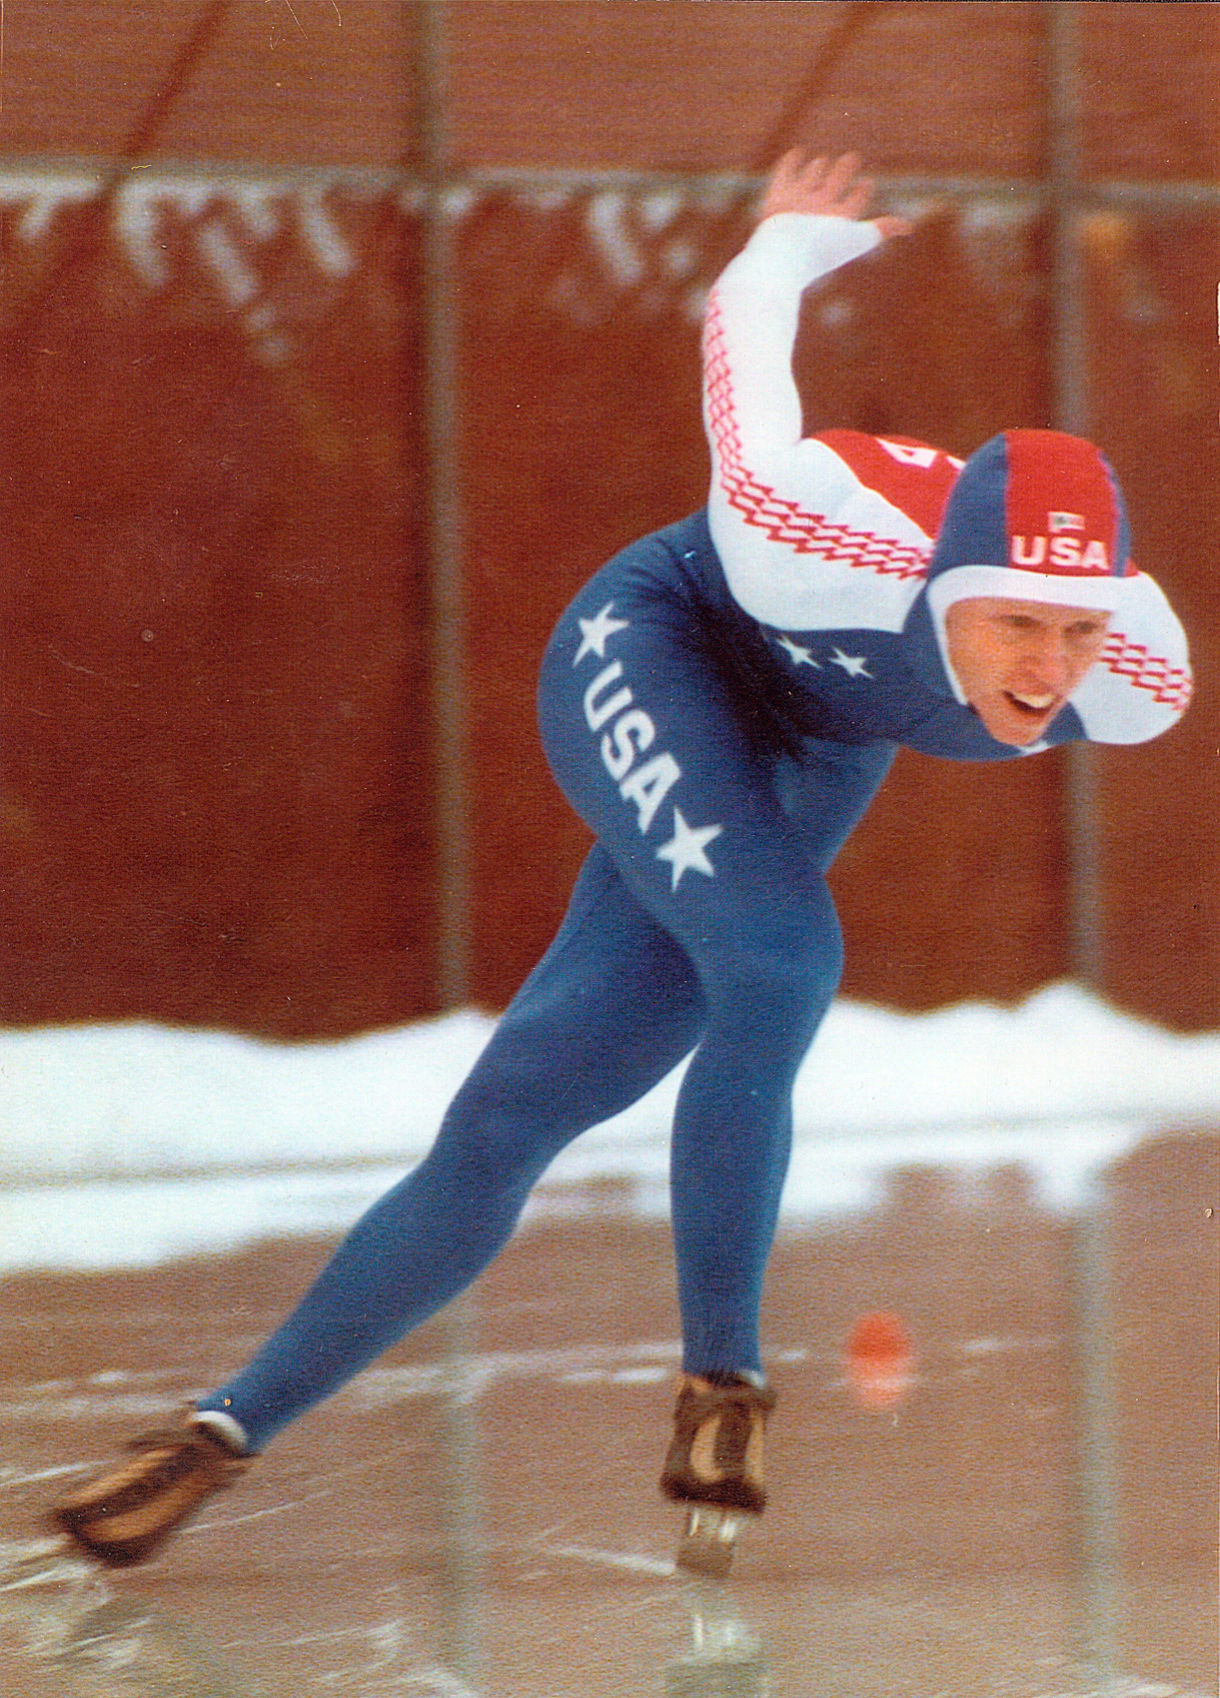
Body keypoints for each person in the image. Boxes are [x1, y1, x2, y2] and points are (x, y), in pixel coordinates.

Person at [52, 152, 1192, 1568]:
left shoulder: (1136, 676)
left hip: (807, 751)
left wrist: (1067, 639)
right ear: (943, 587)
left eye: (1077, 631)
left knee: (520, 1107)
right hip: (664, 651)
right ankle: (725, 1380)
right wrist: (788, 248)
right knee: (781, 960)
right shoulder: (801, 528)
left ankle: (216, 1432)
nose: (1049, 664)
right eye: (1016, 622)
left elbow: (1086, 641)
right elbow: (740, 341)